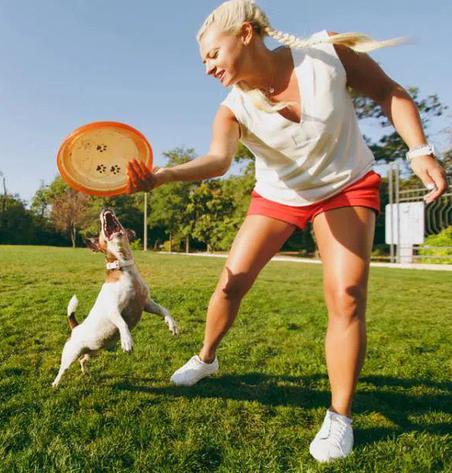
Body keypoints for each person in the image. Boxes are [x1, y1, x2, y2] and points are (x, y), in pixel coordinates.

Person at [125, 0, 448, 463]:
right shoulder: (232, 108)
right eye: (203, 62)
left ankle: (340, 417)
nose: (208, 68)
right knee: (230, 284)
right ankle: (207, 358)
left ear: (246, 34)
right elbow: (218, 162)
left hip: (345, 187)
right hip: (278, 196)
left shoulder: (326, 55)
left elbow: (389, 91)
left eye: (212, 55)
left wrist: (419, 150)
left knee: (349, 294)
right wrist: (162, 176)